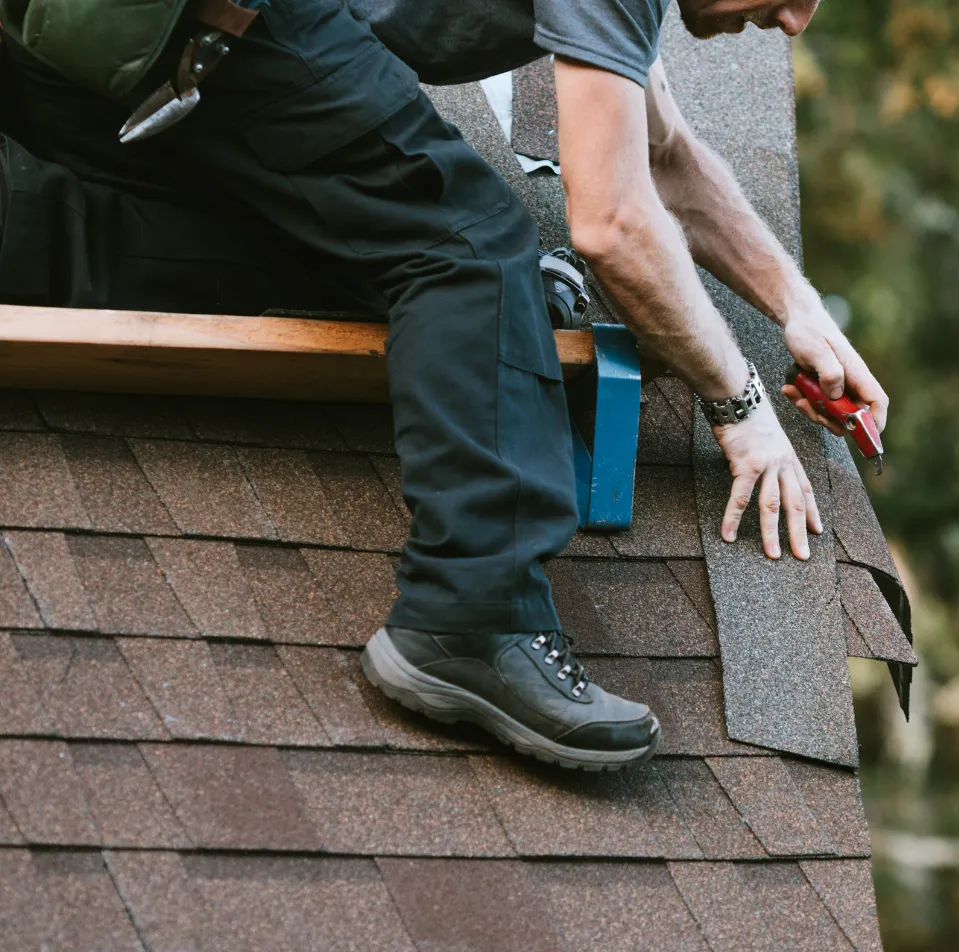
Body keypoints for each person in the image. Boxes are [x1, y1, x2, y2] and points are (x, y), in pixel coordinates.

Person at [0, 0, 886, 772]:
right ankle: (473, 614)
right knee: (466, 254)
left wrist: (794, 308)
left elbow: (664, 154)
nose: (796, 21)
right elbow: (612, 222)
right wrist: (740, 407)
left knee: (309, 250)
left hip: (95, 40)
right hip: (229, 20)